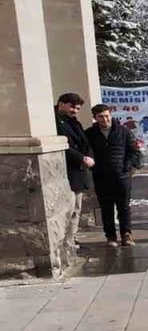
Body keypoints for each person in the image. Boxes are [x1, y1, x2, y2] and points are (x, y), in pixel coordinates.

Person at [85, 104, 142, 247]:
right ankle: (110, 236)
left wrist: (127, 167)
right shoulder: (90, 134)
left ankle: (126, 234)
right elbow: (88, 151)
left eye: (106, 116)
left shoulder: (123, 131)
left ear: (111, 115)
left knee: (124, 207)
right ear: (95, 118)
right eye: (100, 117)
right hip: (101, 176)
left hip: (122, 176)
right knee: (106, 208)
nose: (104, 119)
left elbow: (134, 151)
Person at [54, 94, 93, 234]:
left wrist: (88, 157)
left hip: (78, 172)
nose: (75, 111)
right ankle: (66, 240)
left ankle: (72, 238)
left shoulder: (75, 123)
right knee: (68, 209)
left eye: (77, 108)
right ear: (61, 104)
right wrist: (81, 158)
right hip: (66, 170)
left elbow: (86, 143)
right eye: (72, 107)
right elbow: (64, 146)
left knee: (76, 208)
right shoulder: (53, 122)